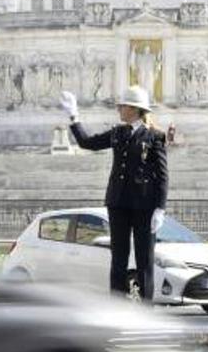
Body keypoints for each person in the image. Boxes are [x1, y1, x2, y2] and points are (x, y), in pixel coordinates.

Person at [59, 85, 168, 301]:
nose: (119, 109)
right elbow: (87, 143)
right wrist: (74, 117)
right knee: (118, 258)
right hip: (118, 203)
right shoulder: (118, 132)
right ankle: (116, 306)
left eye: (123, 106)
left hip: (144, 206)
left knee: (144, 260)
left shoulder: (155, 136)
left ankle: (145, 308)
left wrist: (160, 208)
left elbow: (162, 175)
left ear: (134, 109)